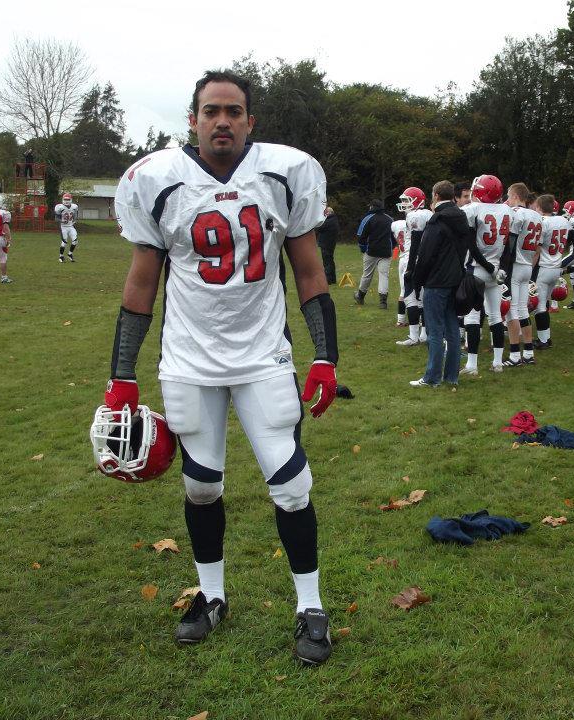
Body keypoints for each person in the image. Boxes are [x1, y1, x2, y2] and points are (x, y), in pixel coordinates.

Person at [107, 70, 338, 665]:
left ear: (250, 122)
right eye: (211, 111)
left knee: (290, 487)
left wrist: (326, 355)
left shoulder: (283, 174)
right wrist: (122, 372)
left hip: (264, 357)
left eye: (234, 111)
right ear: (193, 119)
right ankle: (211, 597)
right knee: (201, 486)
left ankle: (310, 607)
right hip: (189, 359)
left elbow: (310, 274)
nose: (223, 121)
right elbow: (140, 284)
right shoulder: (158, 180)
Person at [409, 180, 494, 387]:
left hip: (437, 280)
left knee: (435, 331)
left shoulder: (437, 220)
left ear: (436, 195)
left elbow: (426, 255)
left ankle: (432, 378)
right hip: (455, 278)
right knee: (453, 329)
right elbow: (469, 247)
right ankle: (451, 376)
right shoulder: (461, 217)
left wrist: (417, 281)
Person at [460, 175, 511, 375]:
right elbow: (508, 246)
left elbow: (471, 245)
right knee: (495, 315)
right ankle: (497, 363)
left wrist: (488, 267)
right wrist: (502, 269)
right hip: (497, 271)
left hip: (478, 270)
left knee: (472, 318)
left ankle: (472, 365)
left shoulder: (473, 210)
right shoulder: (507, 211)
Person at [502, 182, 542, 366]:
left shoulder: (516, 214)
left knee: (511, 312)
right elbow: (537, 249)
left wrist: (504, 268)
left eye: (509, 196)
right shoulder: (537, 216)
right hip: (527, 265)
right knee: (523, 310)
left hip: (515, 266)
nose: (507, 200)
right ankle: (528, 352)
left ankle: (515, 356)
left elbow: (510, 243)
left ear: (516, 197)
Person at [532, 194, 574, 349]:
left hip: (543, 267)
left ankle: (543, 341)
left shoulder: (542, 222)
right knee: (545, 303)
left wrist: (530, 268)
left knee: (540, 306)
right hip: (556, 266)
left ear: (539, 207)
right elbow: (571, 240)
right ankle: (546, 338)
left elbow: (537, 250)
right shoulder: (563, 221)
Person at [395, 187, 432, 345]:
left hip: (413, 260)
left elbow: (415, 243)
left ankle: (413, 336)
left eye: (407, 200)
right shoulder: (429, 214)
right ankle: (424, 333)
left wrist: (410, 267)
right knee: (423, 299)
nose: (404, 204)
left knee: (410, 298)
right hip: (428, 261)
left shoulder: (414, 216)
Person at [354, 200, 394, 309]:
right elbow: (394, 236)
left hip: (371, 251)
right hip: (386, 252)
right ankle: (383, 302)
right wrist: (392, 247)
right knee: (384, 275)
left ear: (372, 207)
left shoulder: (368, 218)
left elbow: (361, 235)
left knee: (367, 275)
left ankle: (360, 296)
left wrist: (363, 248)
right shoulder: (389, 219)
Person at [316, 206, 339, 285]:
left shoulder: (329, 221)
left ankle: (328, 279)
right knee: (330, 261)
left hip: (327, 244)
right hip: (330, 244)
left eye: (325, 213)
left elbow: (319, 228)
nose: (324, 214)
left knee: (327, 262)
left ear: (329, 213)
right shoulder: (333, 220)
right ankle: (332, 279)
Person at [55, 192, 79, 263]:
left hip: (71, 226)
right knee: (64, 242)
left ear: (71, 200)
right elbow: (56, 218)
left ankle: (70, 254)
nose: (66, 201)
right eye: (65, 199)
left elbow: (74, 215)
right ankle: (61, 256)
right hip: (63, 227)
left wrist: (74, 220)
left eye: (68, 199)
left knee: (75, 241)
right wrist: (62, 221)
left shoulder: (74, 207)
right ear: (62, 199)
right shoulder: (60, 207)